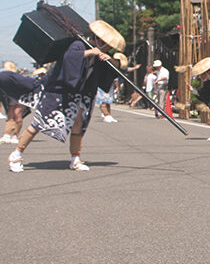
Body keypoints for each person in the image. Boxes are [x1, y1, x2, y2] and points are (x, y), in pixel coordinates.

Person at [9, 19, 126, 172]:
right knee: (39, 122)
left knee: (79, 124)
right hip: (59, 91)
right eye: (107, 45)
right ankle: (16, 154)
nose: (108, 48)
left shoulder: (101, 53)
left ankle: (75, 159)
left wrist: (108, 58)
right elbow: (69, 58)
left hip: (80, 94)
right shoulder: (78, 45)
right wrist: (89, 52)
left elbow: (117, 65)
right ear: (99, 40)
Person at [0, 68, 41, 144]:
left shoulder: (5, 77)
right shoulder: (4, 78)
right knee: (10, 114)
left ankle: (15, 135)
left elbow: (28, 85)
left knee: (17, 114)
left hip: (23, 92)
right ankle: (7, 135)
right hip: (12, 94)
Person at [95, 53, 127, 123]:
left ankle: (108, 115)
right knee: (103, 101)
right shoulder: (103, 61)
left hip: (109, 84)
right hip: (101, 83)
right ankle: (106, 115)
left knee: (108, 101)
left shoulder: (113, 65)